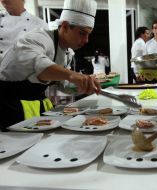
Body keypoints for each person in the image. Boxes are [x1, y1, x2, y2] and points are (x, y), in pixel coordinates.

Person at [0, 0, 101, 131]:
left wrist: (81, 87)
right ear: (64, 26)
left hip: (34, 106)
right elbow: (40, 65)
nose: (86, 40)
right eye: (82, 33)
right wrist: (73, 75)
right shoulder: (38, 38)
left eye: (88, 35)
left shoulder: (67, 53)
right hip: (10, 107)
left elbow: (62, 84)